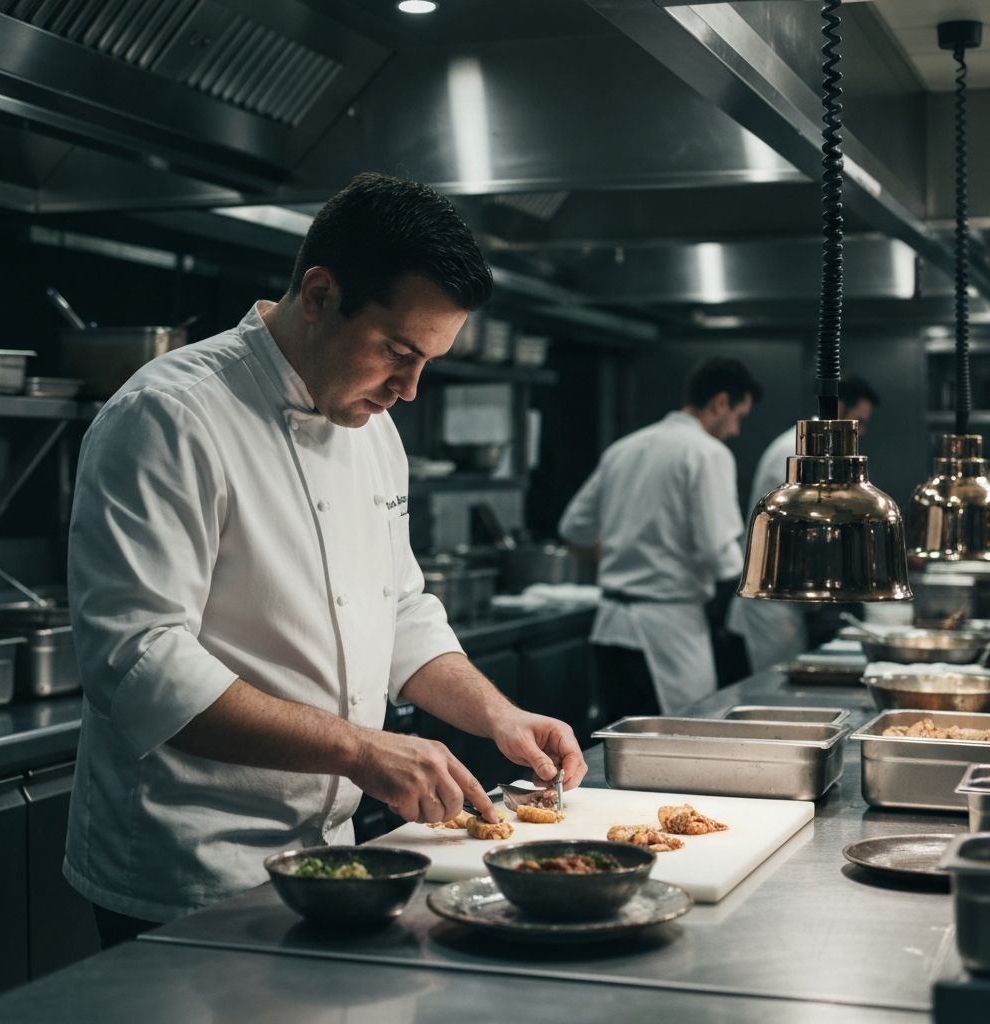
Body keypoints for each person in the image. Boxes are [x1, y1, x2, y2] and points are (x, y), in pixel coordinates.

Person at [64, 172, 587, 947]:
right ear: (318, 293)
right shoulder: (170, 415)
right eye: (397, 352)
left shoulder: (374, 430)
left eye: (428, 362)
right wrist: (362, 750)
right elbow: (139, 663)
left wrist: (498, 716)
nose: (410, 390)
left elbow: (401, 610)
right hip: (186, 866)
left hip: (333, 858)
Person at [558, 358, 762, 722]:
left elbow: (574, 529)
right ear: (720, 403)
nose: (736, 430)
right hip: (668, 630)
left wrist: (625, 555)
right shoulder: (707, 452)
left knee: (619, 748)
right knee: (680, 744)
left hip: (610, 628)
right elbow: (718, 554)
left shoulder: (625, 447)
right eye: (738, 417)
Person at [727, 374, 881, 672]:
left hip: (793, 599)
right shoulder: (798, 452)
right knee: (774, 686)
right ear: (838, 411)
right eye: (859, 421)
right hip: (772, 599)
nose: (862, 431)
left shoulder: (822, 453)